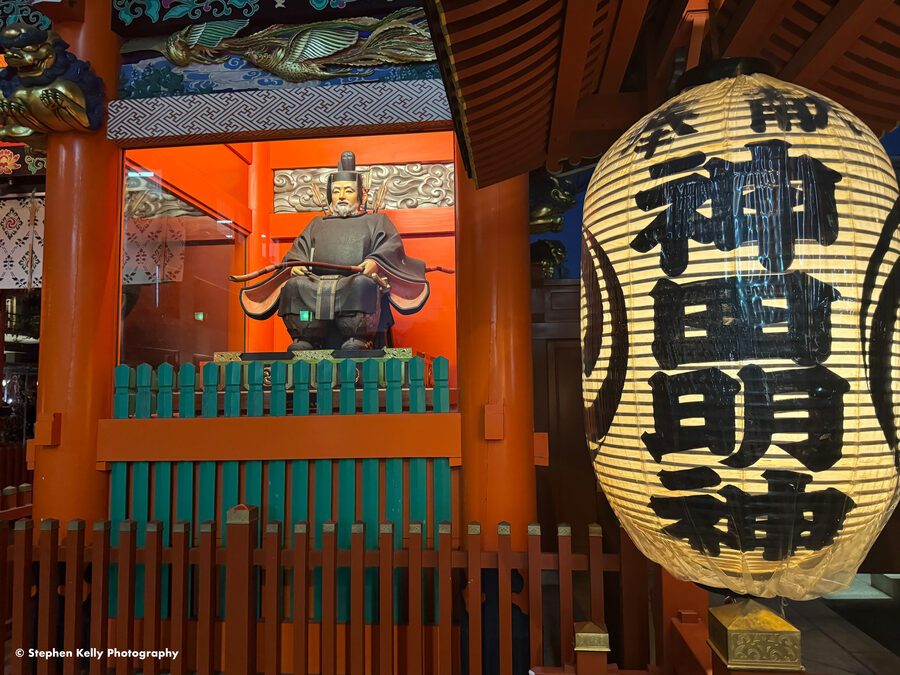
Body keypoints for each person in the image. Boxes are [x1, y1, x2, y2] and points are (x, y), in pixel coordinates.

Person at [239, 151, 430, 351]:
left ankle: (359, 338)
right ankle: (307, 338)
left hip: (354, 282)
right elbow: (297, 253)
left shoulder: (376, 221)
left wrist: (376, 261)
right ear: (330, 195)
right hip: (315, 284)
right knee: (296, 286)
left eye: (348, 190)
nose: (341, 196)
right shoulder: (317, 224)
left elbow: (391, 248)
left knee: (361, 284)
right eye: (336, 191)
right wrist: (296, 266)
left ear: (362, 194)